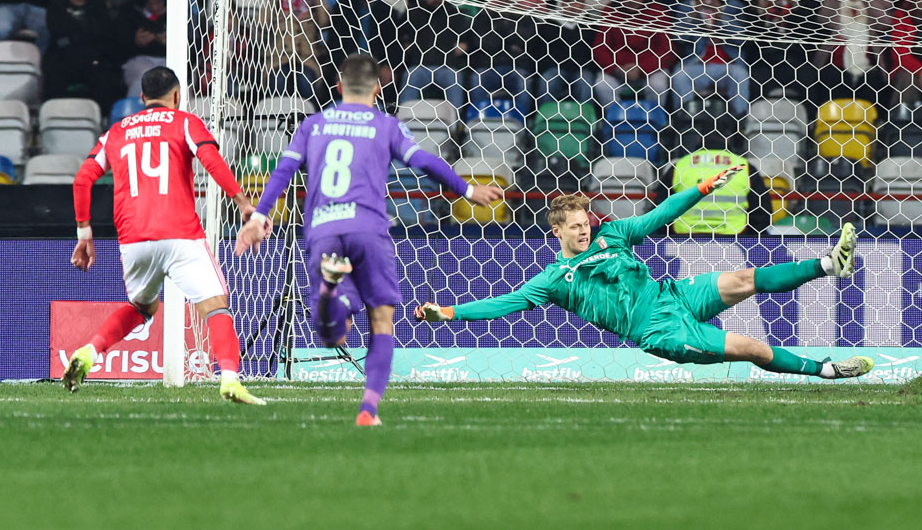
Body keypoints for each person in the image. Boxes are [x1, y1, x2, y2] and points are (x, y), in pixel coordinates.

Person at [235, 55, 502, 426]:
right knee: (382, 321)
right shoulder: (385, 125)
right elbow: (424, 162)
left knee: (333, 336)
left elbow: (284, 170)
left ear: (338, 86)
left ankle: (331, 291)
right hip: (368, 228)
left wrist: (259, 216)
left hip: (323, 228)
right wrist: (468, 189)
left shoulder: (313, 124)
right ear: (378, 88)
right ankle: (368, 409)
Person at [413, 177, 872, 381]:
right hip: (658, 329)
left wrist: (701, 189)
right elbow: (505, 303)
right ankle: (828, 370)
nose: (584, 230)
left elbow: (660, 215)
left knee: (744, 277)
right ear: (557, 232)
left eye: (586, 222)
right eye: (575, 226)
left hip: (671, 295)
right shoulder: (554, 279)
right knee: (751, 347)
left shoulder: (612, 234)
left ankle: (829, 265)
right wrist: (448, 312)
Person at [61, 66, 263, 406]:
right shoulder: (184, 122)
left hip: (134, 240)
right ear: (177, 96)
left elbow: (82, 180)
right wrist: (242, 202)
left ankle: (89, 352)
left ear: (142, 98)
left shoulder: (116, 132)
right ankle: (230, 378)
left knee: (142, 307)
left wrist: (85, 233)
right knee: (215, 306)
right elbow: (210, 158)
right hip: (180, 234)